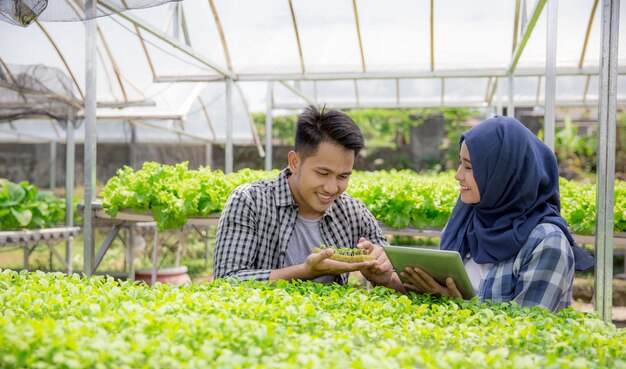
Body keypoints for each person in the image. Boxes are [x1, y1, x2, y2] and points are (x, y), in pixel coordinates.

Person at [401, 116, 594, 312]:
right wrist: (391, 279)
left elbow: (526, 332)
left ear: (502, 174)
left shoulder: (547, 242)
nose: (458, 175)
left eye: (468, 166)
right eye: (460, 163)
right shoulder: (467, 219)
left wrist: (458, 306)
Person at [213, 105, 405, 293]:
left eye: (343, 177)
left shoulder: (353, 212)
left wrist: (384, 277)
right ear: (295, 162)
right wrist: (304, 272)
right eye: (322, 173)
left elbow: (403, 282)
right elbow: (226, 281)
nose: (331, 188)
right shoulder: (250, 201)